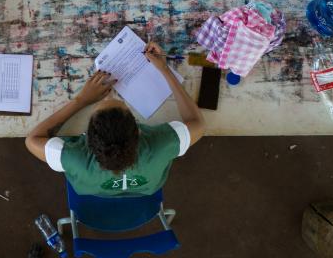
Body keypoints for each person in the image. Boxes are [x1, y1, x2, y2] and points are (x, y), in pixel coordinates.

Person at [25, 43, 205, 196]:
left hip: (92, 196)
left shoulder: (74, 158)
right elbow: (197, 123)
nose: (111, 96)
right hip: (148, 191)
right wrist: (165, 69)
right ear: (138, 130)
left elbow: (32, 140)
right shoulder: (162, 145)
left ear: (87, 137)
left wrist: (81, 101)